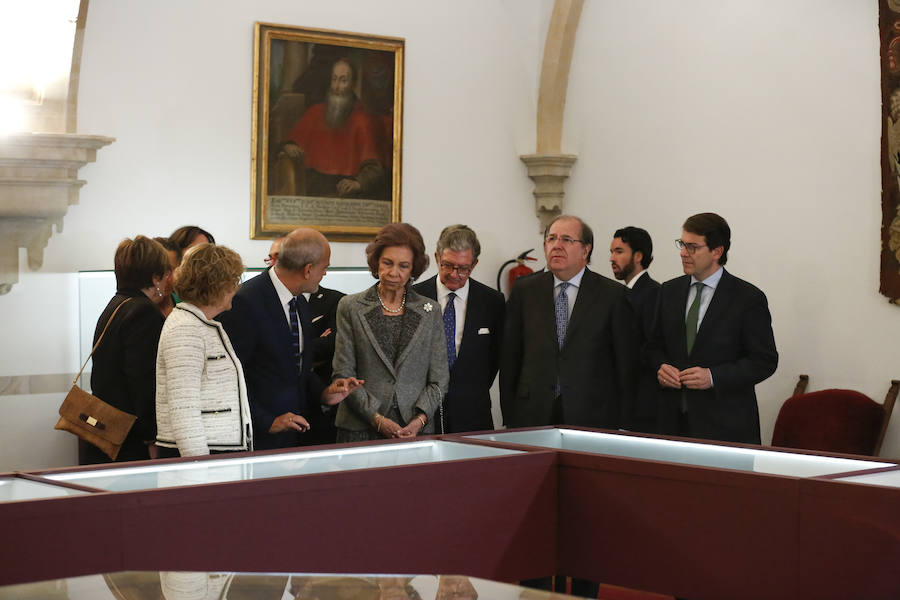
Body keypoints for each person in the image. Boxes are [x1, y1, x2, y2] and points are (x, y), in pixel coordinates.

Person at [218, 228, 361, 450]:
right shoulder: (246, 302)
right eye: (324, 268)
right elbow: (229, 376)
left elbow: (297, 368)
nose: (324, 274)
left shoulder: (298, 302)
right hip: (258, 439)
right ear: (308, 270)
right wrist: (267, 422)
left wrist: (325, 393)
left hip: (295, 434)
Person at [647, 212, 778, 444]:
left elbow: (764, 361)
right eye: (682, 244)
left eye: (692, 247)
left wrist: (714, 376)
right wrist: (660, 367)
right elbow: (652, 347)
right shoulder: (668, 291)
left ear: (717, 251)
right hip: (670, 424)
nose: (683, 253)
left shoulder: (748, 298)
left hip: (724, 427)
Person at [500, 215, 637, 430]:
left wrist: (625, 423)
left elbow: (625, 364)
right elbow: (510, 358)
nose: (557, 246)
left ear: (586, 250)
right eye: (551, 239)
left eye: (566, 240)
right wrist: (509, 416)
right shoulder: (524, 290)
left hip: (592, 414)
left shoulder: (613, 295)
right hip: (532, 412)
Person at [333, 223, 449, 442]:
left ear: (413, 269)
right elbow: (343, 374)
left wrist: (420, 420)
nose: (394, 272)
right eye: (387, 263)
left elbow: (440, 380)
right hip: (360, 429)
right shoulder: (350, 306)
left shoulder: (430, 311)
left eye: (403, 266)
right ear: (376, 262)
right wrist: (377, 420)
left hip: (415, 430)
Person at [154, 244, 252, 457]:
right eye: (234, 281)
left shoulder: (198, 323)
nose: (236, 288)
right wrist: (200, 470)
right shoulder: (186, 328)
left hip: (212, 451)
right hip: (200, 455)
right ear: (218, 285)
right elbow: (183, 408)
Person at [84, 235, 171, 464]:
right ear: (155, 277)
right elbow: (144, 383)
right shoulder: (144, 312)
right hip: (128, 438)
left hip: (107, 427)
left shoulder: (116, 305)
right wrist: (151, 438)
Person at [414, 224, 505, 432]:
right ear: (437, 258)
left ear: (474, 264)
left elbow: (495, 359)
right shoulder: (415, 298)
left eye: (463, 268)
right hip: (421, 414)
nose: (455, 274)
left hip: (473, 414)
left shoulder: (492, 301)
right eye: (447, 265)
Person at [282, 58, 387, 199]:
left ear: (353, 85)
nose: (337, 87)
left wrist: (358, 183)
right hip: (312, 191)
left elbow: (374, 169)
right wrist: (289, 145)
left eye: (343, 81)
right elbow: (292, 140)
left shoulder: (362, 121)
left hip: (345, 194)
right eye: (334, 79)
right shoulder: (315, 113)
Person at [610, 226, 661, 433]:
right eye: (611, 252)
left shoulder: (654, 294)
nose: (612, 258)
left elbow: (646, 351)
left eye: (619, 251)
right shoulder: (619, 294)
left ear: (638, 256)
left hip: (641, 408)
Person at [304, 283, 346, 445]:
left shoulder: (337, 300)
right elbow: (272, 350)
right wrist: (316, 342)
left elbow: (333, 344)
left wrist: (294, 348)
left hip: (325, 405)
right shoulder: (264, 299)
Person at [152, 236, 181, 317]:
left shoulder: (186, 305)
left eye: (170, 270)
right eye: (159, 271)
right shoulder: (137, 310)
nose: (165, 278)